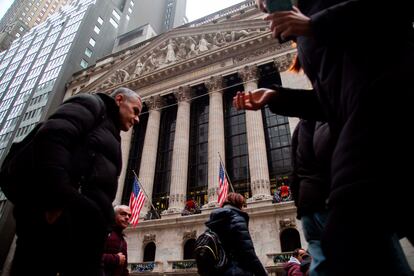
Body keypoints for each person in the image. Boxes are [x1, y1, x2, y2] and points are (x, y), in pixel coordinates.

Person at [239, 0, 414, 275]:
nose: (262, 5)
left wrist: (314, 25)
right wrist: (277, 95)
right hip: (364, 131)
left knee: (348, 235)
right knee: (355, 239)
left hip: (393, 112)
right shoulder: (305, 28)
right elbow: (333, 98)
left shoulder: (314, 17)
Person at [11, 87, 142, 275]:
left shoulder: (111, 132)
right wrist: (56, 198)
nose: (137, 118)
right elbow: (52, 137)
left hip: (86, 231)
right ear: (119, 100)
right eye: (135, 111)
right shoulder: (91, 104)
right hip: (59, 221)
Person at [205, 192, 267, 276]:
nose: (243, 208)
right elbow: (248, 253)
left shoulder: (213, 222)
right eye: (243, 205)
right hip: (236, 271)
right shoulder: (237, 218)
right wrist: (262, 273)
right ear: (239, 204)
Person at [102, 205, 131, 276]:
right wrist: (115, 259)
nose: (127, 217)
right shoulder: (102, 232)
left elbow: (124, 269)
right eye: (123, 214)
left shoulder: (123, 241)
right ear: (113, 216)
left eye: (129, 215)